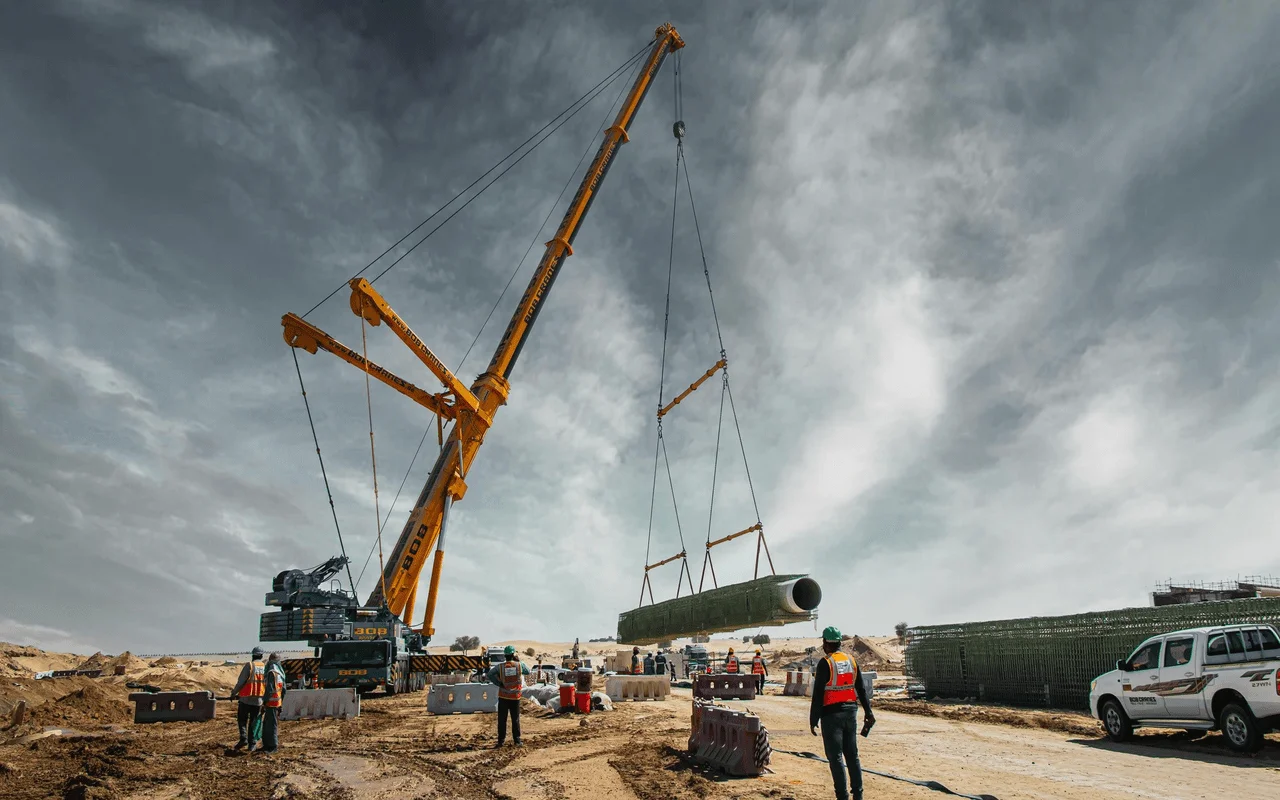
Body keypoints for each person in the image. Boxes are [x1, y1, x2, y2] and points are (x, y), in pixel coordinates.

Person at [810, 626, 874, 800]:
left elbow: (818, 694)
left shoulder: (826, 662)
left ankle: (842, 796)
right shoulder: (851, 660)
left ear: (825, 643)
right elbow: (861, 688)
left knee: (835, 757)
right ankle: (858, 795)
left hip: (831, 714)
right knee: (852, 756)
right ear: (839, 643)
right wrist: (868, 712)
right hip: (850, 712)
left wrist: (813, 718)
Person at [487, 645, 530, 747]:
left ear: (505, 655)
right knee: (515, 719)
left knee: (502, 720)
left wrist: (498, 683)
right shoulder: (519, 665)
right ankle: (517, 740)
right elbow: (528, 671)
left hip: (504, 697)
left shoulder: (500, 667)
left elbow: (490, 674)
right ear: (513, 654)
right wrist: (518, 661)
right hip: (515, 697)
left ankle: (501, 741)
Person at [231, 646, 266, 752]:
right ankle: (252, 744)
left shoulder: (250, 665)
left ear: (253, 655)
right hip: (258, 700)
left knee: (242, 719)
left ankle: (243, 738)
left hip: (246, 698)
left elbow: (241, 682)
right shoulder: (265, 667)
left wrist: (233, 693)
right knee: (253, 722)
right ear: (261, 655)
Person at [259, 653, 286, 755]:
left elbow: (269, 689)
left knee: (271, 725)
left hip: (271, 703)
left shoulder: (271, 672)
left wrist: (264, 702)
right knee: (268, 724)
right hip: (276, 702)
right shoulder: (280, 673)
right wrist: (281, 703)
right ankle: (266, 745)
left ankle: (273, 746)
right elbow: (284, 690)